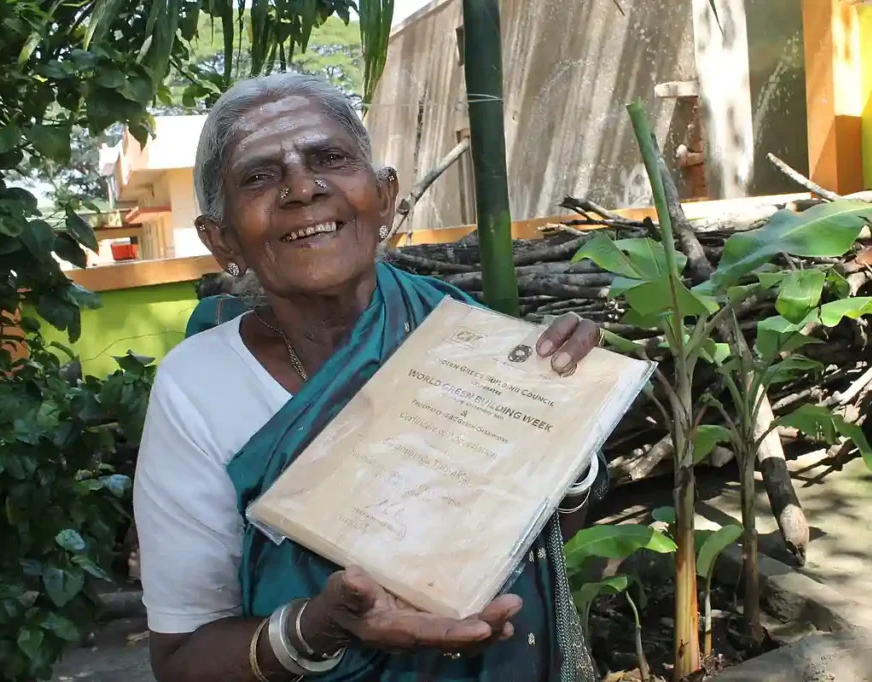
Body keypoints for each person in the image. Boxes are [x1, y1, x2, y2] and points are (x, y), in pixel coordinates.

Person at [134, 73, 604, 682]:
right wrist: (316, 626)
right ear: (221, 238)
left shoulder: (472, 342)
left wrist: (567, 425)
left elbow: (545, 541)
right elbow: (181, 660)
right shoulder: (197, 387)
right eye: (259, 175)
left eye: (330, 158)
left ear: (384, 197)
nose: (302, 187)